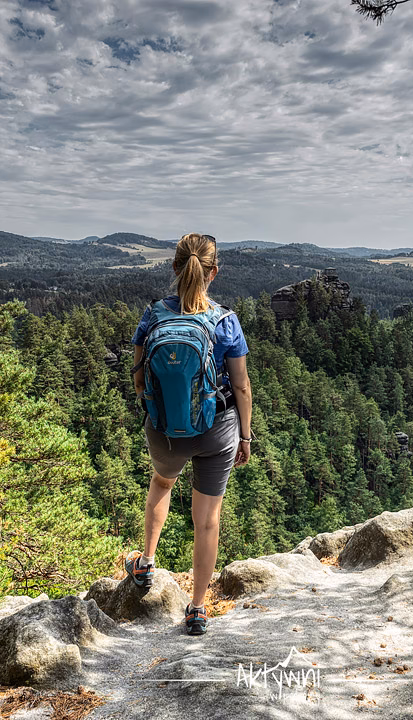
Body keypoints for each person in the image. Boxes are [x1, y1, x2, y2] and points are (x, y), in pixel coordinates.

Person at [127, 232, 253, 636]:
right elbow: (242, 386)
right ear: (213, 272)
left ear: (174, 268)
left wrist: (155, 413)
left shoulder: (153, 315)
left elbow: (138, 375)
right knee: (207, 521)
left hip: (165, 430)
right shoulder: (225, 320)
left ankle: (145, 562)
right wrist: (246, 437)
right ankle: (197, 608)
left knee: (162, 483)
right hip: (217, 429)